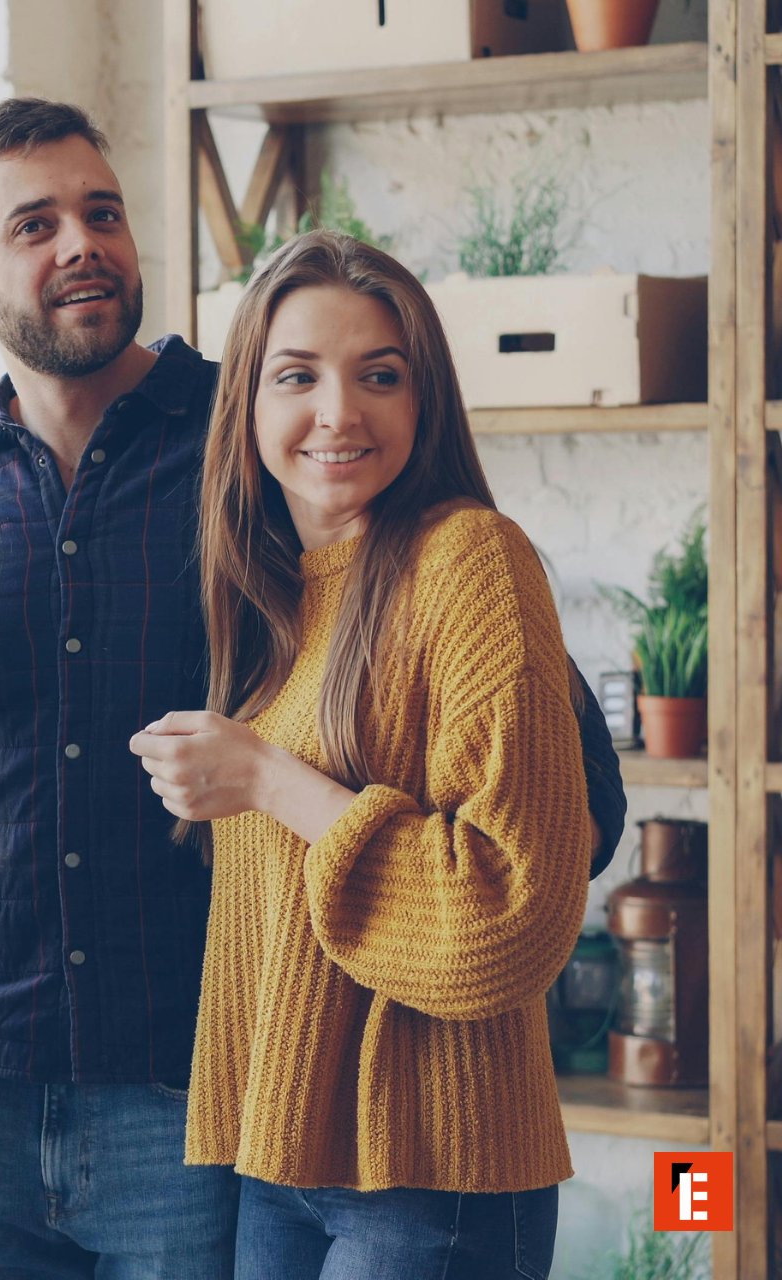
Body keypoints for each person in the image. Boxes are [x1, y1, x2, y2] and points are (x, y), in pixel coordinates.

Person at [0, 99, 625, 1279]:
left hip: (206, 1097)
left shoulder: (275, 446)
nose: (80, 245)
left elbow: (564, 806)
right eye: (36, 224)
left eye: (102, 211)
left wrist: (290, 794)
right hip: (2, 1089)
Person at [131, 229, 583, 1278]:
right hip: (280, 1160)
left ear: (424, 400)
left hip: (436, 1184)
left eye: (380, 374)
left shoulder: (471, 558)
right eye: (299, 375)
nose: (339, 412)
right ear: (245, 400)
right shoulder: (280, 594)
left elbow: (510, 917)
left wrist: (269, 779)